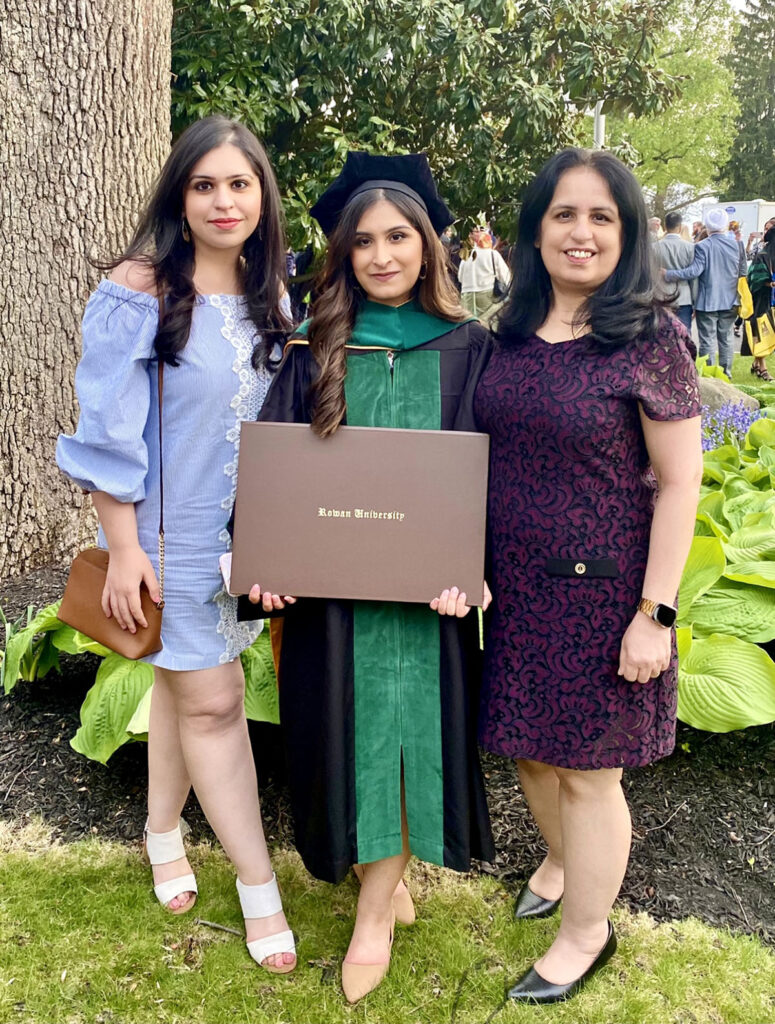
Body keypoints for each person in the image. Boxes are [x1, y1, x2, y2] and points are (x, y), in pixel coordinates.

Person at [238, 151, 496, 1003]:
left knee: (403, 726)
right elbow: (271, 478)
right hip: (330, 603)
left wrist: (478, 572)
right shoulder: (314, 350)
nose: (382, 256)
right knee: (345, 733)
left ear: (428, 245)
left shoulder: (470, 351)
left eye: (398, 237)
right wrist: (265, 566)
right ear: (342, 256)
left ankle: (376, 910)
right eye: (363, 243)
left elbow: (500, 483)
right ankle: (378, 874)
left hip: (428, 601)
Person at [56, 116, 297, 974]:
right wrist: (123, 549)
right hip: (164, 541)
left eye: (239, 183)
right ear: (179, 197)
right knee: (214, 703)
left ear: (262, 194)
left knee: (178, 686)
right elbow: (106, 433)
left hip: (246, 542)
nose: (224, 200)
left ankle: (162, 832)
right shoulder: (139, 290)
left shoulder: (276, 292)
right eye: (204, 185)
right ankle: (258, 884)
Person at [475, 147, 702, 1005]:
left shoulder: (648, 337)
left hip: (607, 591)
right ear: (536, 229)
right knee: (530, 753)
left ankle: (586, 933)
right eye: (564, 214)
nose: (580, 232)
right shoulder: (502, 331)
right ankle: (563, 860)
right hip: (518, 591)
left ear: (627, 233)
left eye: (601, 217)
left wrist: (656, 611)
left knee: (588, 773)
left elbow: (679, 481)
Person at [664, 207, 747, 377]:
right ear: (724, 226)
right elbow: (743, 272)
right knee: (727, 339)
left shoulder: (702, 246)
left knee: (707, 340)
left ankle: (708, 374)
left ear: (707, 227)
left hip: (707, 301)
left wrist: (668, 274)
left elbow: (694, 272)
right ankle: (726, 373)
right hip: (731, 300)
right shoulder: (738, 245)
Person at [457, 225, 511, 322]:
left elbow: (460, 278)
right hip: (486, 294)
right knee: (488, 323)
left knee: (468, 325)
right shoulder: (492, 254)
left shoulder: (467, 255)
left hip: (466, 296)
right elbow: (506, 277)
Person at [655, 211, 696, 333]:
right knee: (684, 335)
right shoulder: (690, 247)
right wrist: (695, 301)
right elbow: (694, 277)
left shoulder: (654, 247)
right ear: (680, 227)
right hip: (684, 297)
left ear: (666, 226)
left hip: (661, 296)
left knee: (661, 336)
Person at [743, 225, 775, 380]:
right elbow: (753, 278)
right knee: (763, 331)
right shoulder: (763, 254)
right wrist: (769, 283)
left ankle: (756, 364)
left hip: (771, 300)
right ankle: (763, 367)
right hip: (761, 299)